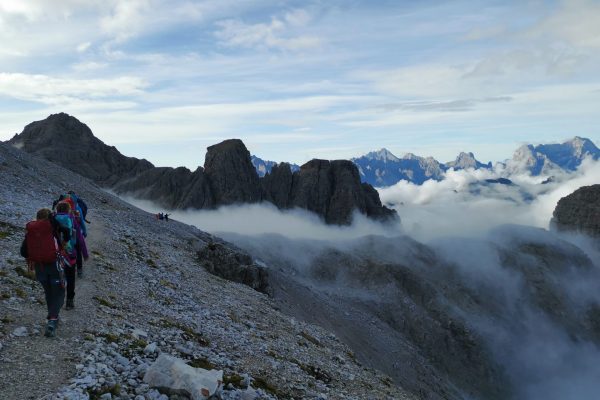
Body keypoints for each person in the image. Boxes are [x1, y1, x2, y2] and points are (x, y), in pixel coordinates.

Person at [21, 208, 67, 337]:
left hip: (39, 267)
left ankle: (51, 315)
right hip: (54, 265)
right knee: (59, 291)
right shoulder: (52, 228)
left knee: (49, 291)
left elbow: (23, 252)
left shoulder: (31, 231)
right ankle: (52, 320)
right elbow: (67, 231)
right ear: (49, 218)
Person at [54, 201, 78, 310]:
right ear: (68, 209)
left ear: (57, 209)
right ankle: (69, 301)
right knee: (70, 276)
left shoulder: (52, 219)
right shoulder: (70, 218)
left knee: (56, 276)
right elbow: (74, 238)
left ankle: (56, 301)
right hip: (68, 252)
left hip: (54, 252)